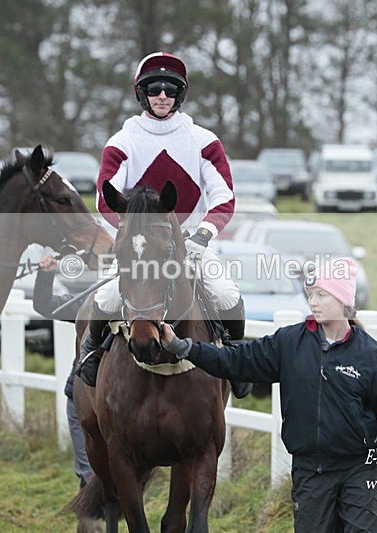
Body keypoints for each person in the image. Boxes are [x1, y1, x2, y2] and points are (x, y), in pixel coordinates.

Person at [160, 257, 377, 532]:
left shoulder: (372, 355)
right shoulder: (288, 343)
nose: (313, 302)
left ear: (343, 300)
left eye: (321, 295)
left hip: (359, 473)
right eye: (311, 295)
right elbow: (235, 360)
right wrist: (184, 347)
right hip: (310, 474)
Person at [76, 51, 251, 398]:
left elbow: (224, 196)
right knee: (106, 297)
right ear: (142, 94)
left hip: (192, 241)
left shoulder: (204, 140)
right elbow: (105, 197)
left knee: (226, 294)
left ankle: (235, 359)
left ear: (179, 95)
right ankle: (92, 352)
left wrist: (203, 235)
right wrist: (133, 234)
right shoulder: (122, 142)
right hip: (140, 245)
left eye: (170, 90)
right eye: (153, 89)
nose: (162, 96)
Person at [32, 255, 93, 488]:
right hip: (83, 404)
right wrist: (46, 274)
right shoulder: (91, 300)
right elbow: (45, 304)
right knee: (91, 480)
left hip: (121, 409)